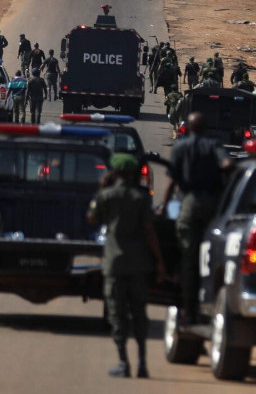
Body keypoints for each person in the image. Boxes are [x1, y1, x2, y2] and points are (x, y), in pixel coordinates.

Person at [87, 154, 165, 379]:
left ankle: (124, 362)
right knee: (139, 314)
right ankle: (142, 363)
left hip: (115, 264)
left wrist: (101, 189)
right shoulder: (140, 198)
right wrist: (159, 262)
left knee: (117, 314)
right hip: (139, 264)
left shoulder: (107, 196)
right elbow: (150, 231)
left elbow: (92, 217)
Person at [162, 112, 229, 325]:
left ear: (188, 128)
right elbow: (226, 163)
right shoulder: (213, 144)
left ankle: (188, 309)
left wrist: (164, 208)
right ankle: (211, 301)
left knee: (188, 258)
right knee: (213, 254)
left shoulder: (181, 147)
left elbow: (172, 182)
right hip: (213, 205)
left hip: (188, 203)